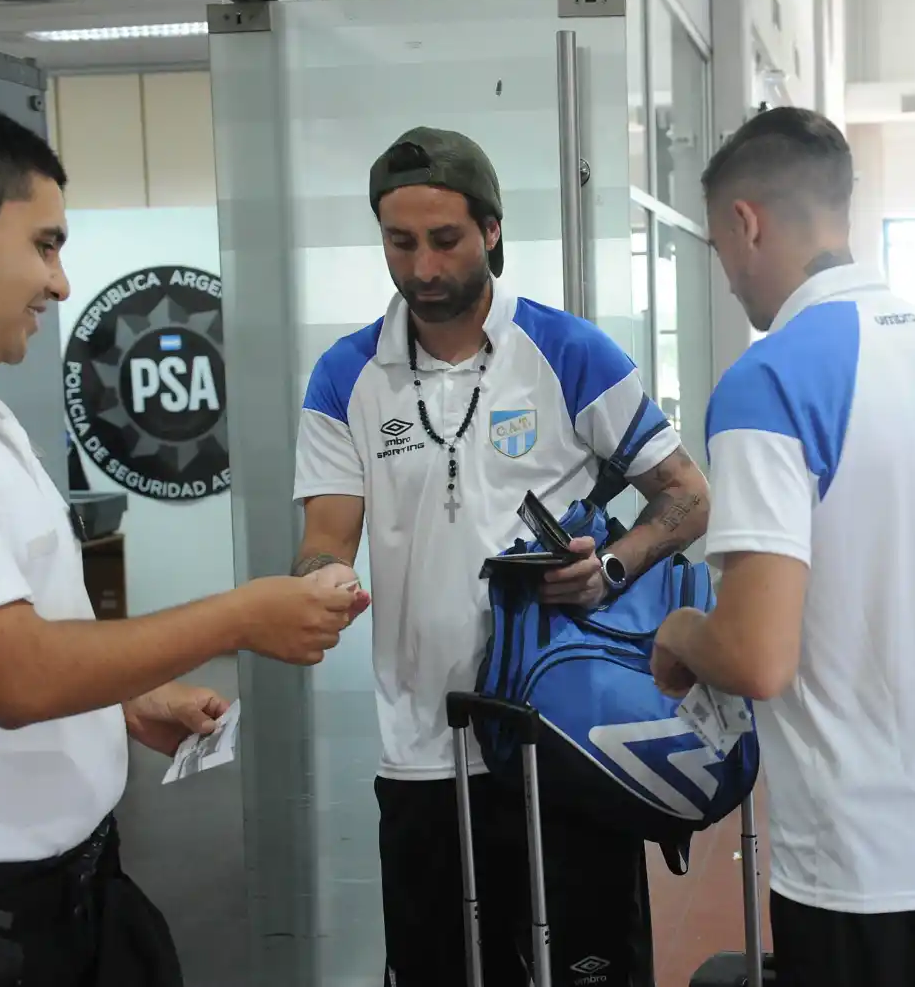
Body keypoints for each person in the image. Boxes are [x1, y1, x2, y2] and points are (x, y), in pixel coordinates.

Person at [0, 95, 364, 987]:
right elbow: (12, 672)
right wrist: (240, 617)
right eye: (45, 244)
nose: (60, 284)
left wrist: (121, 700)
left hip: (70, 895)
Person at [291, 126, 710, 987]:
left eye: (444, 240)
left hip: (564, 736)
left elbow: (687, 497)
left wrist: (614, 566)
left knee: (594, 970)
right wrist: (320, 587)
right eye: (399, 243)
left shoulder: (569, 352)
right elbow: (324, 542)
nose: (423, 267)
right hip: (421, 748)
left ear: (489, 230)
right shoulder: (345, 376)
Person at [649, 106, 915, 987]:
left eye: (717, 248)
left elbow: (753, 655)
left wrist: (678, 636)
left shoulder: (768, 379)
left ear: (745, 223)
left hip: (866, 860)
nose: (729, 277)